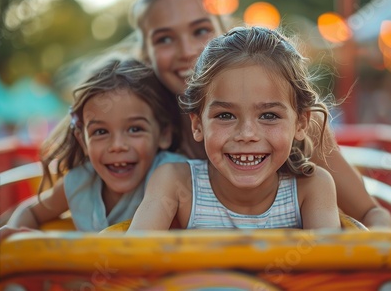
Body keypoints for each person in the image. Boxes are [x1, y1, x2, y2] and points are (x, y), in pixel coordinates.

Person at [129, 0, 391, 276]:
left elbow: (363, 218)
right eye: (165, 38)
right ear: (196, 122)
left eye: (200, 30)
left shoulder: (307, 166)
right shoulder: (128, 122)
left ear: (221, 31)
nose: (188, 49)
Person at [129, 26, 340, 230]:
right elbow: (134, 257)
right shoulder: (176, 182)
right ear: (197, 124)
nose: (246, 134)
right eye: (225, 115)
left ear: (301, 123)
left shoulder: (311, 187)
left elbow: (326, 263)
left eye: (269, 116)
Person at [0, 57, 187, 236]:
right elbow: (30, 210)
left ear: (163, 134)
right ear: (83, 141)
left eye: (135, 129)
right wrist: (15, 233)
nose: (117, 146)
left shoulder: (173, 174)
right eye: (100, 132)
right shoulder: (80, 182)